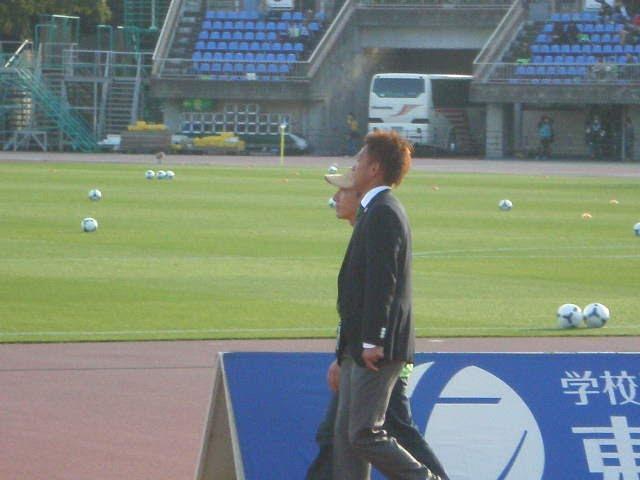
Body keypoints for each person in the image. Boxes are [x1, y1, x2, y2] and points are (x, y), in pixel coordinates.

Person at [305, 171, 449, 480]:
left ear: (360, 196)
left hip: (377, 354)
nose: (335, 198)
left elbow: (382, 290)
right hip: (361, 353)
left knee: (378, 433)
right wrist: (343, 354)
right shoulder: (365, 227)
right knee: (341, 436)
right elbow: (357, 302)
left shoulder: (380, 219)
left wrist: (370, 343)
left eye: (342, 191)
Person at [332, 131, 442, 480]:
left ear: (375, 168)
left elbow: (384, 282)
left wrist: (373, 339)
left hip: (376, 347)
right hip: (358, 345)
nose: (354, 166)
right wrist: (345, 349)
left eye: (359, 160)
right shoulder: (373, 210)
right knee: (346, 440)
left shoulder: (384, 212)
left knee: (364, 434)